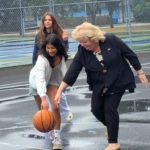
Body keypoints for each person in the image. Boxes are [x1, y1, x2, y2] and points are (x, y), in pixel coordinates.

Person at [54, 22, 149, 150]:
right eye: (80, 42)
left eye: (84, 42)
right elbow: (73, 71)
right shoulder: (82, 50)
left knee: (110, 109)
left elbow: (129, 54)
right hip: (99, 83)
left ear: (93, 38)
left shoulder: (111, 40)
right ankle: (110, 127)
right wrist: (59, 91)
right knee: (96, 109)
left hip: (118, 80)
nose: (82, 45)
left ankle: (113, 143)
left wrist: (140, 73)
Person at [29, 33, 69, 150]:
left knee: (55, 107)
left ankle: (57, 137)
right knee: (43, 111)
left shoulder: (61, 56)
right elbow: (40, 79)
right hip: (36, 83)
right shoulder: (42, 58)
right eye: (48, 48)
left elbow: (63, 73)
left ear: (58, 47)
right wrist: (43, 99)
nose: (50, 50)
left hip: (51, 81)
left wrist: (61, 90)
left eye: (53, 48)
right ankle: (49, 130)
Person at [32, 11, 73, 122]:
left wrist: (65, 40)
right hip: (43, 66)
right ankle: (46, 116)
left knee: (58, 92)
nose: (47, 22)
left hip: (55, 67)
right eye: (45, 20)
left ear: (53, 21)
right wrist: (34, 65)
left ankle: (66, 111)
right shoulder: (39, 35)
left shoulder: (60, 33)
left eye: (49, 20)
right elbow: (36, 51)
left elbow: (64, 50)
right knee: (40, 89)